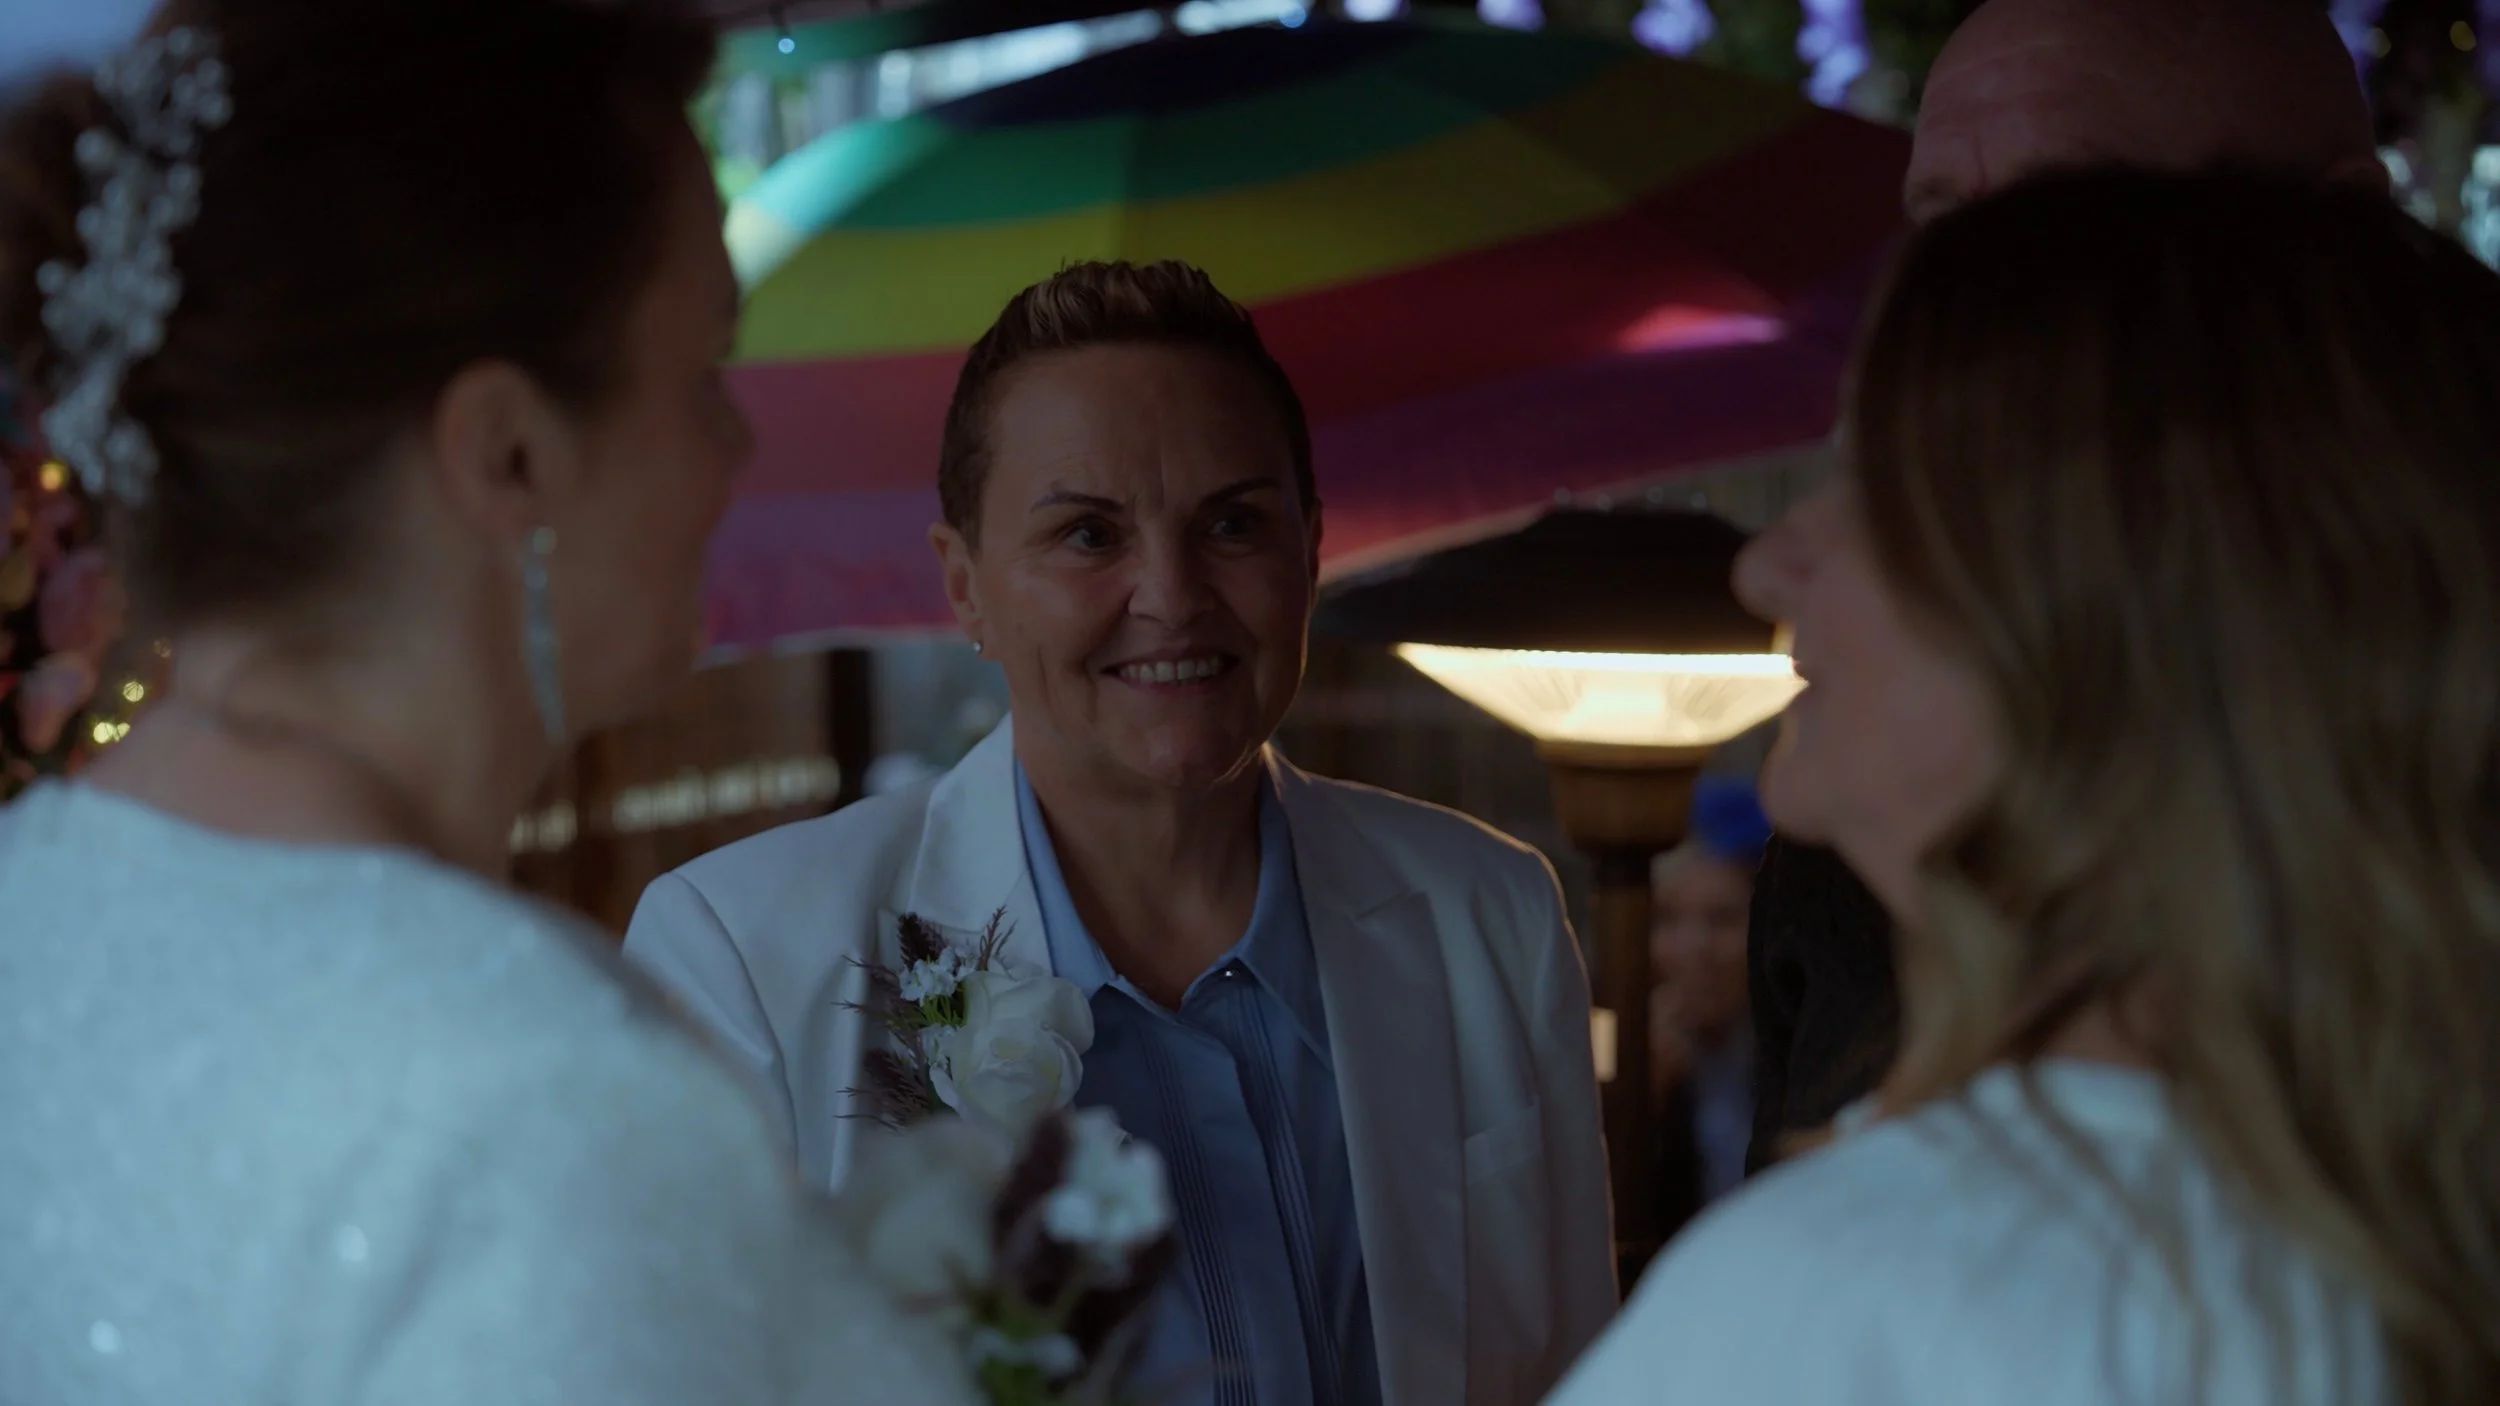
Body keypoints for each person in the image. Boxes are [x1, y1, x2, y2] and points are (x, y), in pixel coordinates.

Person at [0, 3, 975, 1401]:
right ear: (509, 451)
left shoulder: (28, 904)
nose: (735, 446)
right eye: (701, 371)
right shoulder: (550, 1100)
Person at [1548, 167, 2500, 1405]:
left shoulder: (1853, 1294)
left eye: (1880, 479)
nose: (1773, 562)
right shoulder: (2403, 1215)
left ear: (2108, 630)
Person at [626, 259, 1616, 1406]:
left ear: (1311, 548)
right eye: (1089, 536)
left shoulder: (1486, 913)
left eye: (1233, 522)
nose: (1172, 593)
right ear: (966, 588)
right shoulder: (743, 960)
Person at [1746, 0, 2388, 1172]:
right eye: (1940, 232)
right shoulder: (1862, 764)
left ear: (2340, 233)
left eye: (2058, 229)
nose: (1964, 310)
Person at [1648, 776, 1765, 1240]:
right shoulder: (1621, 1054)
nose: (1692, 949)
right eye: (1667, 920)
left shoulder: (1803, 1062)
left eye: (1721, 920)